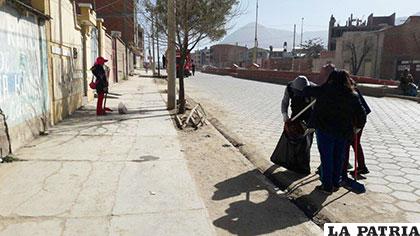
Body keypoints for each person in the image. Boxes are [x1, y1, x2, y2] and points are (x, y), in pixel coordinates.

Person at [304, 70, 367, 194]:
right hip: (343, 133)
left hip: (325, 131)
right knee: (339, 158)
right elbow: (362, 114)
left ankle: (327, 186)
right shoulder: (352, 95)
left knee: (327, 158)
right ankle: (335, 183)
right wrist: (357, 128)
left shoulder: (324, 90)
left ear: (331, 79)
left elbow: (307, 90)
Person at [270, 76, 314, 175]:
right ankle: (290, 162)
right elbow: (285, 102)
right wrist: (285, 115)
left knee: (305, 144)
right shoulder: (289, 87)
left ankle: (302, 167)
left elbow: (316, 109)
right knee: (291, 139)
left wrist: (311, 125)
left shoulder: (312, 90)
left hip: (308, 117)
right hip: (295, 116)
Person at [342, 79, 371, 177]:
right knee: (355, 144)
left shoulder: (352, 93)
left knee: (347, 143)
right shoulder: (353, 91)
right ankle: (362, 167)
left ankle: (344, 168)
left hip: (357, 122)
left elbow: (363, 111)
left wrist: (356, 126)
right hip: (358, 121)